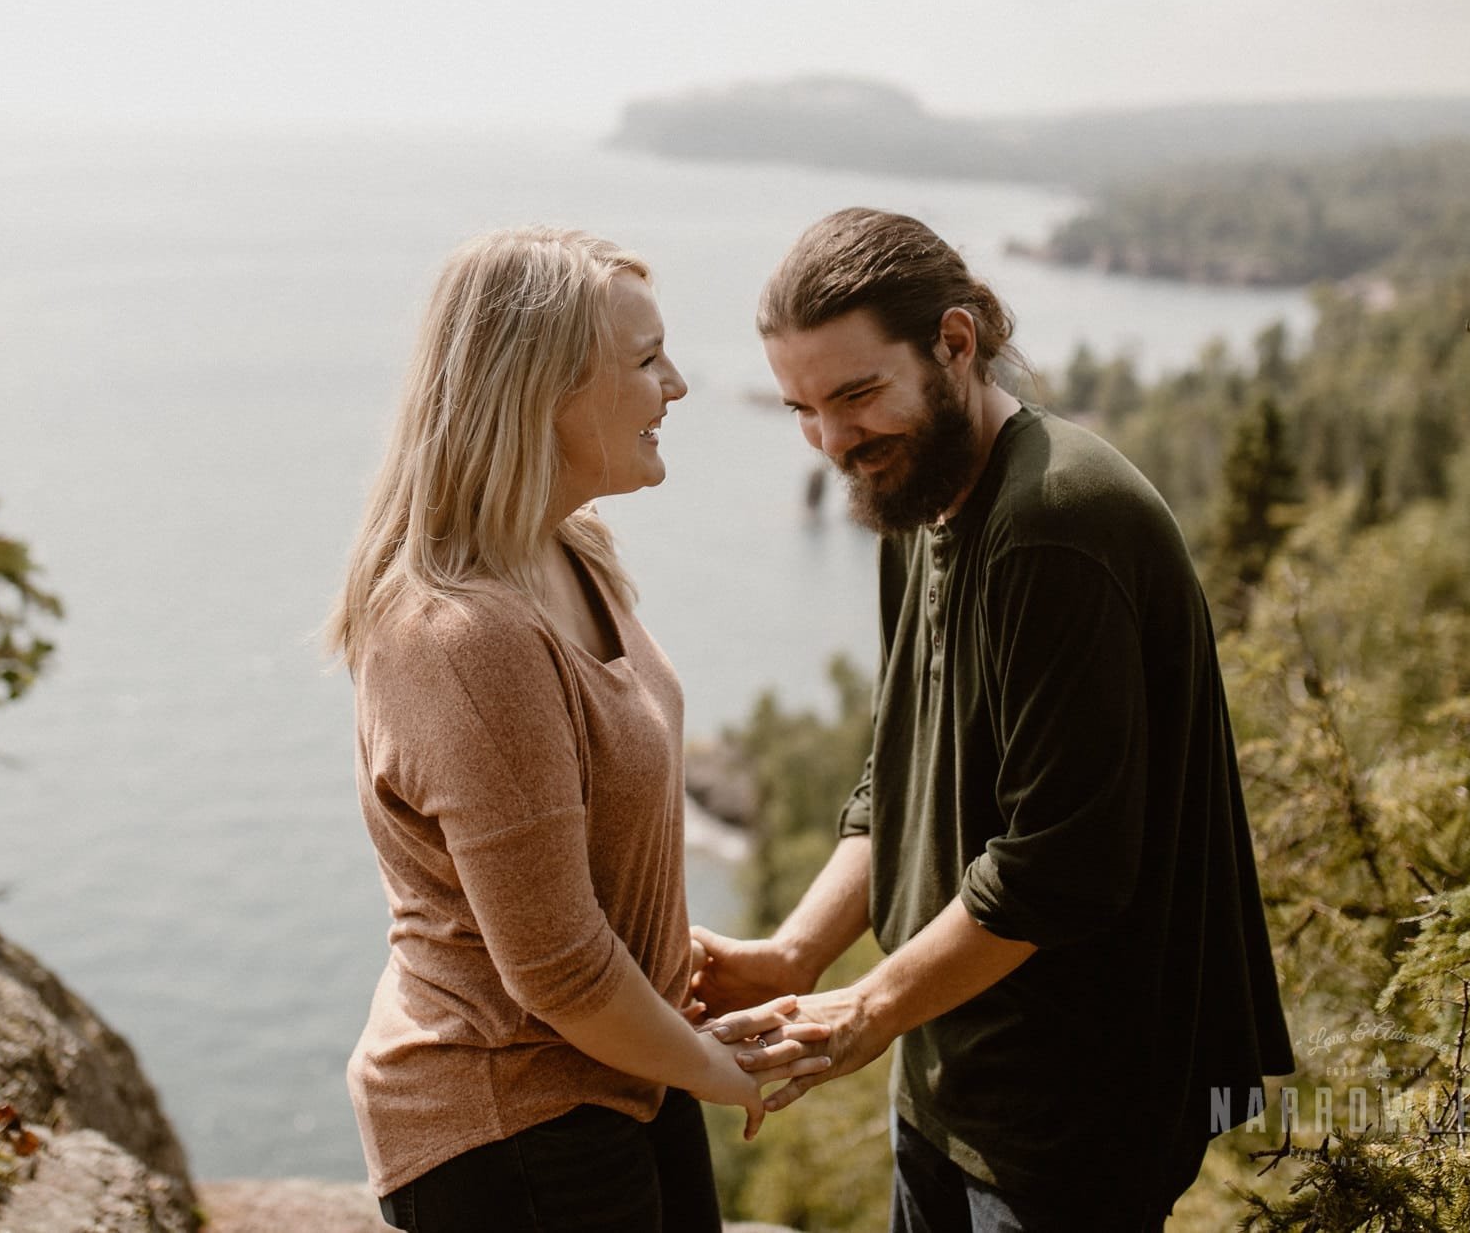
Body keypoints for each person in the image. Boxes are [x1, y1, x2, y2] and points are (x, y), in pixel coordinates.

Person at [693, 209, 1294, 1232]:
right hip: (951, 1070)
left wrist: (869, 1009)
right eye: (801, 409)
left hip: (1073, 1103)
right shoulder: (915, 495)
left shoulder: (1053, 524)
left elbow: (1061, 867)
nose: (834, 442)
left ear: (955, 345)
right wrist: (800, 955)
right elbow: (903, 774)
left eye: (856, 395)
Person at [328, 227, 828, 1233]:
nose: (677, 385)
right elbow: (553, 966)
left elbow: (570, 864)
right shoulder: (464, 637)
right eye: (645, 362)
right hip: (511, 1122)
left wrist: (668, 957)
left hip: (620, 1074)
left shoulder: (571, 553)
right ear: (541, 392)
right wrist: (730, 1074)